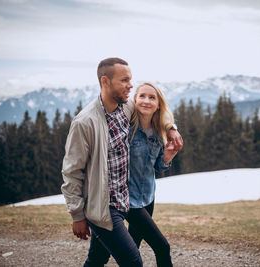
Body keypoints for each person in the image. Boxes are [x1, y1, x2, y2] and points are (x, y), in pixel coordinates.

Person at [61, 57, 183, 267]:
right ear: (105, 81)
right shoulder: (85, 122)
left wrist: (171, 128)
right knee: (133, 261)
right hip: (104, 206)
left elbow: (154, 110)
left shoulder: (125, 108)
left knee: (98, 258)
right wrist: (77, 215)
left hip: (126, 200)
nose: (131, 85)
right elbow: (72, 172)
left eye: (131, 79)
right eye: (125, 80)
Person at [126, 82, 178, 267]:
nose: (146, 101)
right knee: (162, 247)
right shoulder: (127, 129)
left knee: (133, 249)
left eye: (152, 97)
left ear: (158, 104)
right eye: (142, 96)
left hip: (148, 197)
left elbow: (158, 168)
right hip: (129, 201)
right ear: (135, 100)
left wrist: (167, 157)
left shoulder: (158, 131)